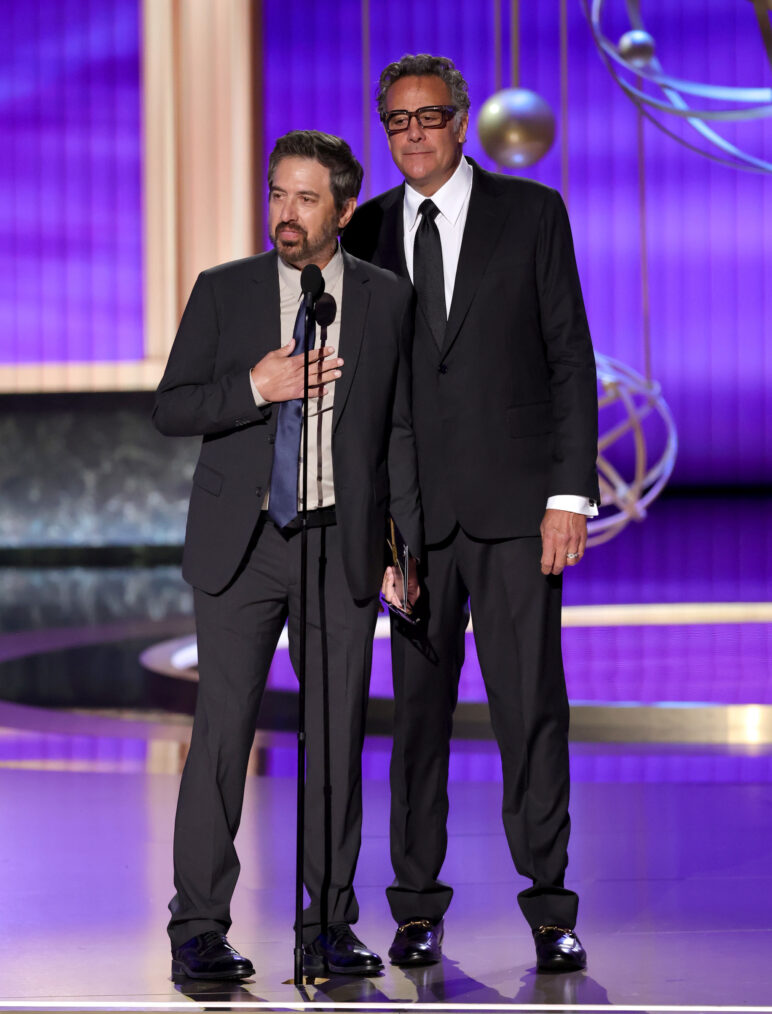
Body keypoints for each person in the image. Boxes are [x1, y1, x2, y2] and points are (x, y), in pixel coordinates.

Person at [342, 54, 599, 973]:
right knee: (416, 721)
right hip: (412, 525)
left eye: (428, 117)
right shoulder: (365, 230)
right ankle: (415, 907)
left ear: (459, 123)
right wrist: (371, 528)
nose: (412, 134)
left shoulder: (533, 214)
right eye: (396, 121)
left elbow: (570, 357)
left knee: (532, 709)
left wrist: (569, 495)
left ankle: (551, 906)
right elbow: (359, 397)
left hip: (519, 512)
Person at [154, 129, 421, 982]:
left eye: (307, 199)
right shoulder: (225, 291)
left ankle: (328, 923)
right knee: (221, 738)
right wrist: (254, 388)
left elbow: (398, 434)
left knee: (337, 740)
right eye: (278, 195)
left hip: (337, 538)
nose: (287, 216)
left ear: (345, 209)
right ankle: (197, 927)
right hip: (243, 545)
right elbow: (172, 406)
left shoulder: (382, 300)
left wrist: (395, 548)